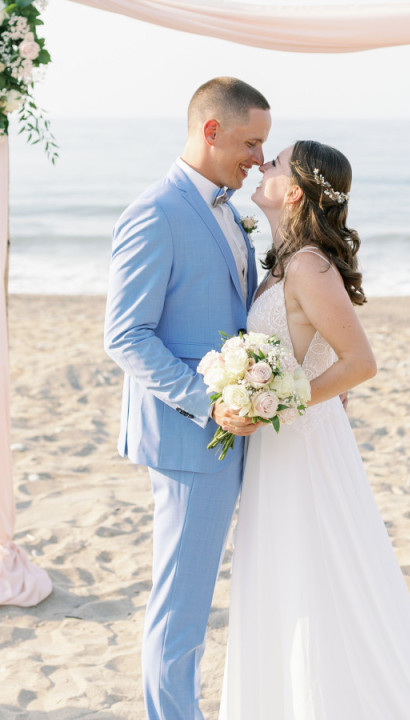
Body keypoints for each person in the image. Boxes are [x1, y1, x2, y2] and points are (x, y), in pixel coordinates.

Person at [218, 141, 410, 719]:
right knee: (283, 581)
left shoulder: (310, 266)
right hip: (280, 448)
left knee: (314, 579)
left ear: (293, 190)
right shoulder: (283, 262)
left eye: (273, 164)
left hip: (302, 446)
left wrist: (279, 402)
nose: (261, 164)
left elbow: (360, 362)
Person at [103, 77, 269, 720]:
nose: (258, 157)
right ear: (211, 131)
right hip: (188, 436)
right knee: (182, 604)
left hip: (232, 428)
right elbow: (126, 334)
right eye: (251, 142)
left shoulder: (227, 209)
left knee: (204, 598)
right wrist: (207, 401)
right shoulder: (157, 211)